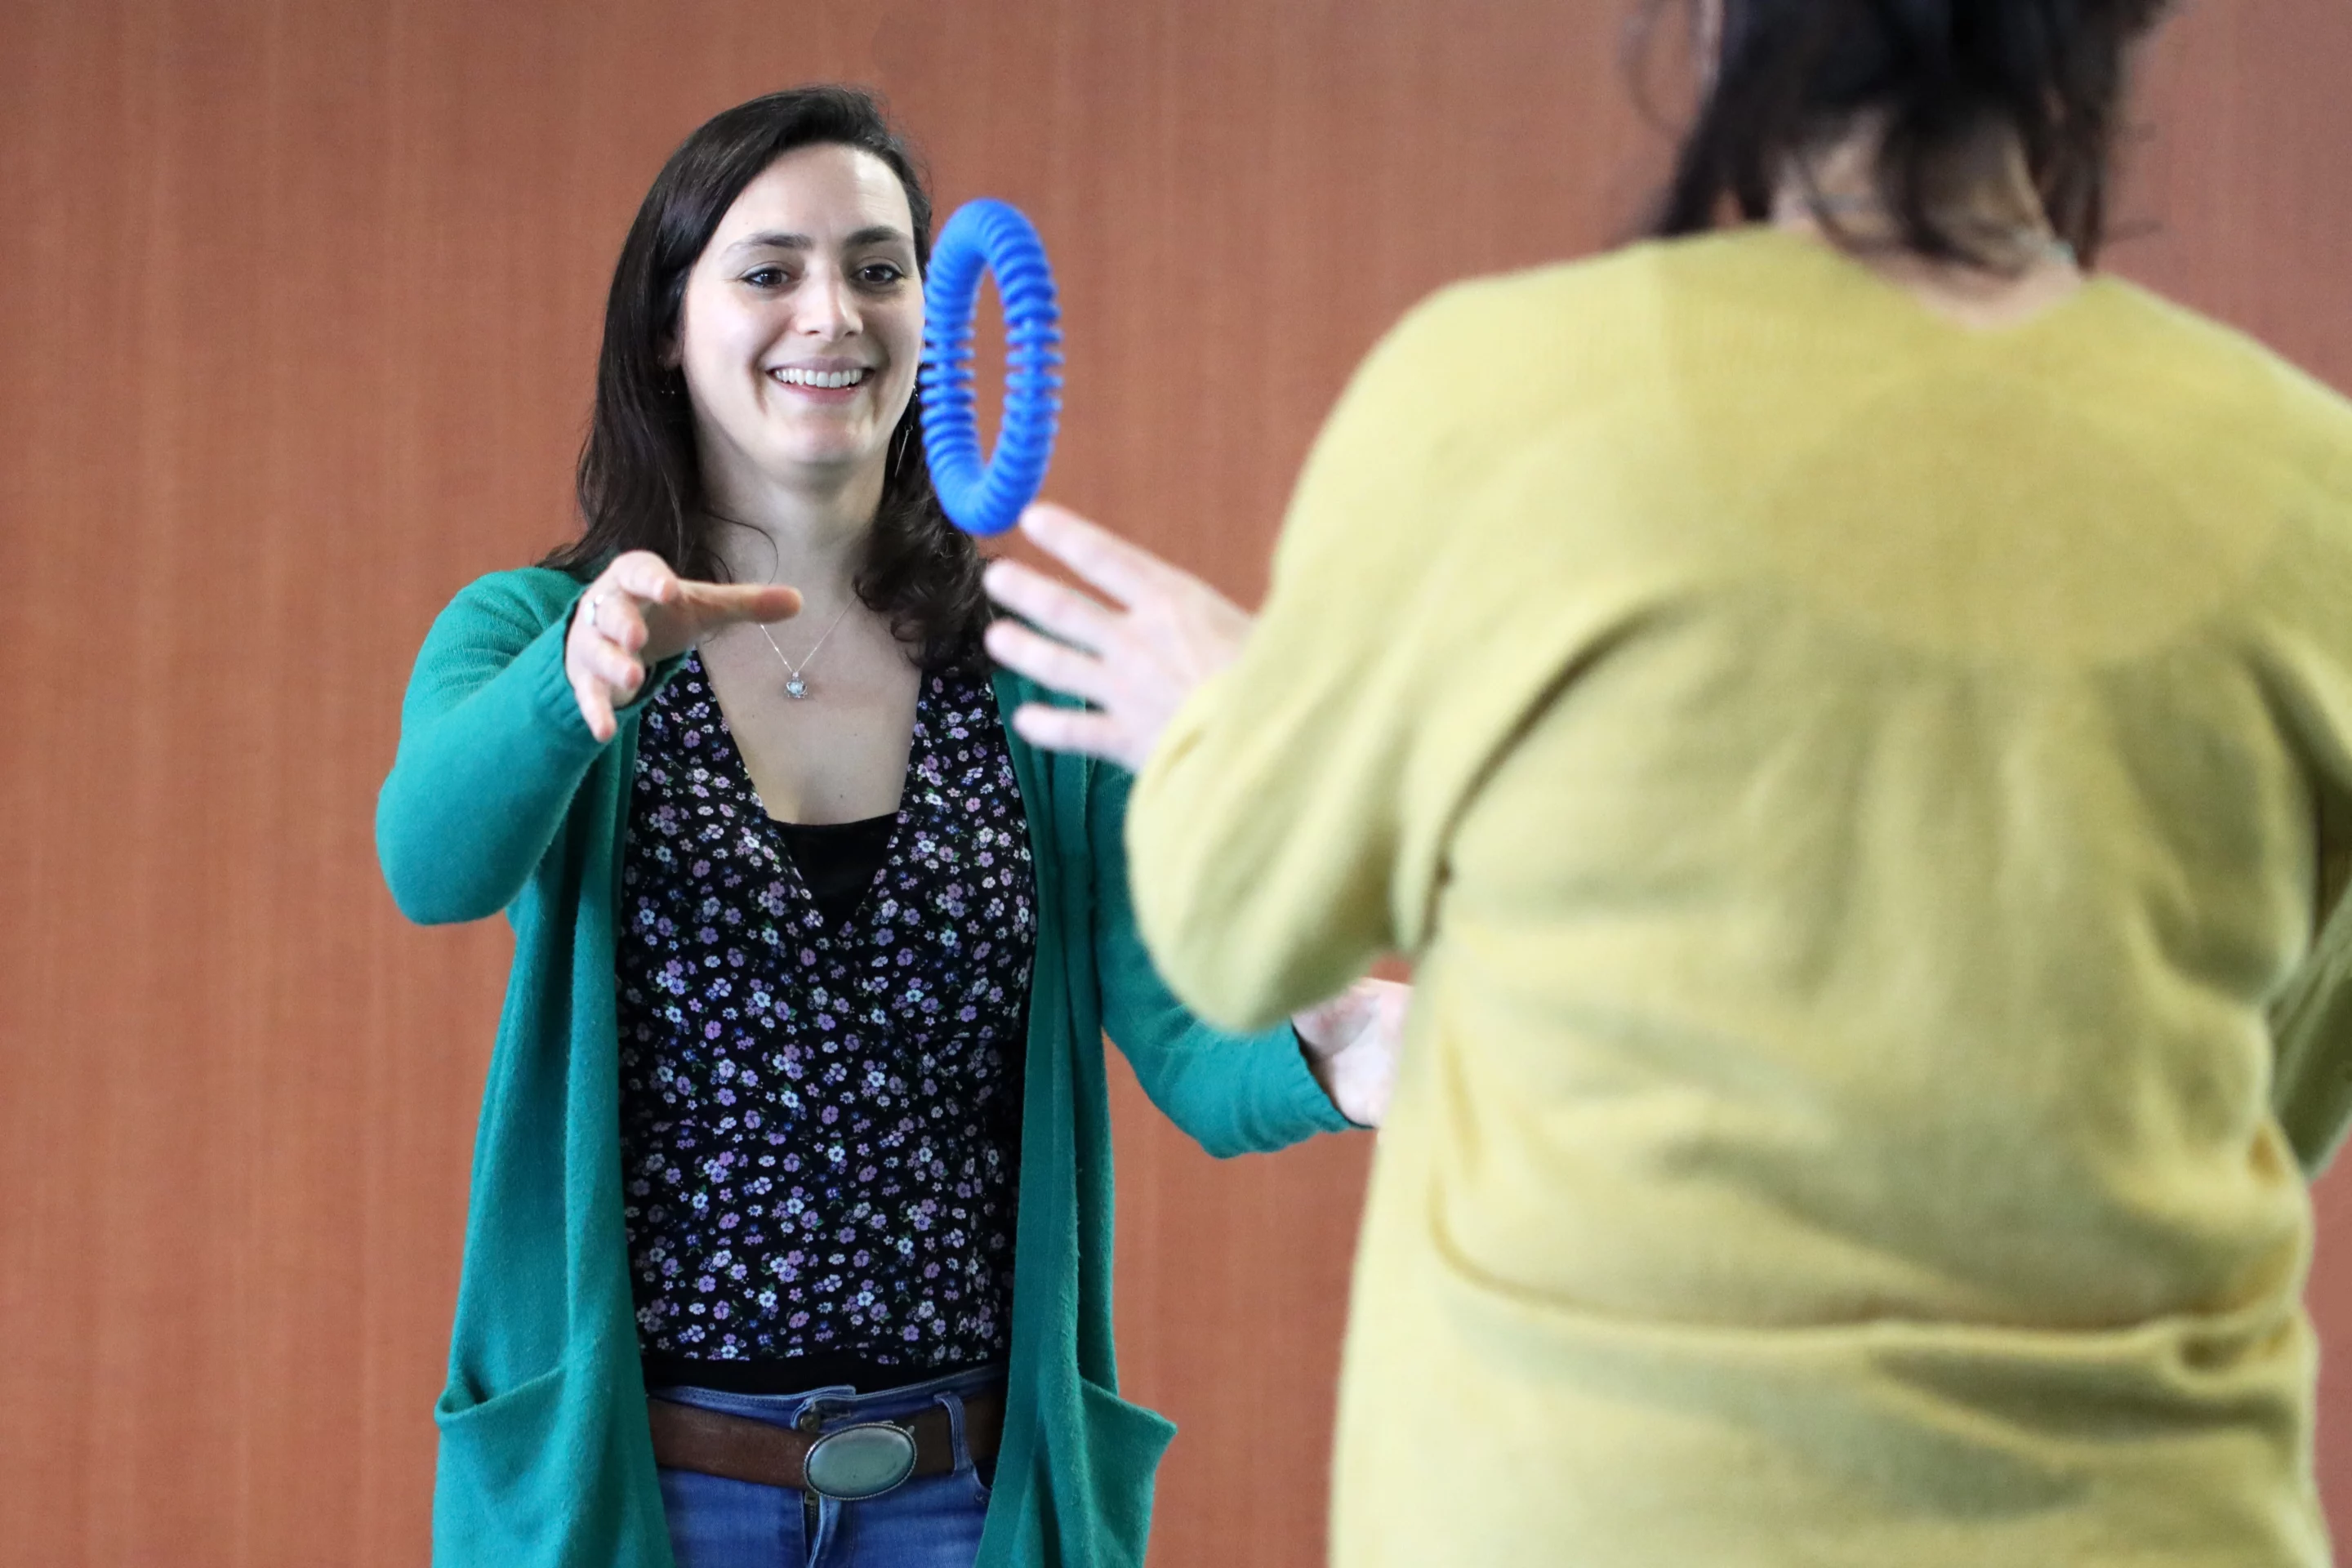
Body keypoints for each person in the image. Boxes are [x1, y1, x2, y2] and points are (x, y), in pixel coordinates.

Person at [980, 2, 2352, 1563]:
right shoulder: (2318, 486)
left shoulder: (1500, 393)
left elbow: (1240, 945)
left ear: (1717, 27)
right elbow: (2274, 1103)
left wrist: (1233, 726)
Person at [376, 84, 1403, 1568]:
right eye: (769, 270)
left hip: (960, 1496)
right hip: (643, 1487)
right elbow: (430, 865)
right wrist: (572, 682)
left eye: (877, 268)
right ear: (668, 326)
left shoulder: (1030, 674)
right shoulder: (537, 633)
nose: (832, 314)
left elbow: (1184, 1035)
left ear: (932, 315)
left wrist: (1332, 1052)